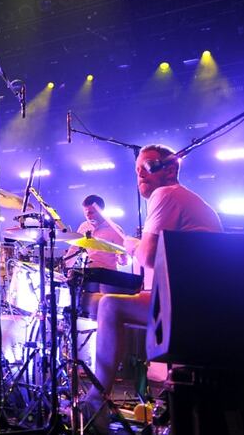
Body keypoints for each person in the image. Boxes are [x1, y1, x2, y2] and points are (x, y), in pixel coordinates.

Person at [85, 145, 222, 421]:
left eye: (147, 168)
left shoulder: (166, 193)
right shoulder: (184, 199)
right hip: (200, 302)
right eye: (137, 171)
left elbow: (147, 257)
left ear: (170, 170)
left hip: (190, 308)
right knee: (111, 303)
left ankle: (94, 402)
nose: (140, 176)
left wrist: (133, 245)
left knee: (109, 307)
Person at [64, 195, 125, 271]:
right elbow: (74, 249)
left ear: (101, 211)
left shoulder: (115, 229)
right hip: (89, 272)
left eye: (91, 212)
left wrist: (122, 260)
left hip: (108, 274)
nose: (88, 216)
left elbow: (124, 259)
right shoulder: (84, 226)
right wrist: (65, 268)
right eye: (85, 213)